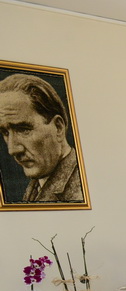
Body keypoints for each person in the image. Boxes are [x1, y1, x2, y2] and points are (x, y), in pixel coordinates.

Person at [0, 73, 84, 203]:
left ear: (58, 128)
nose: (12, 150)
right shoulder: (36, 185)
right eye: (5, 132)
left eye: (23, 129)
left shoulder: (79, 189)